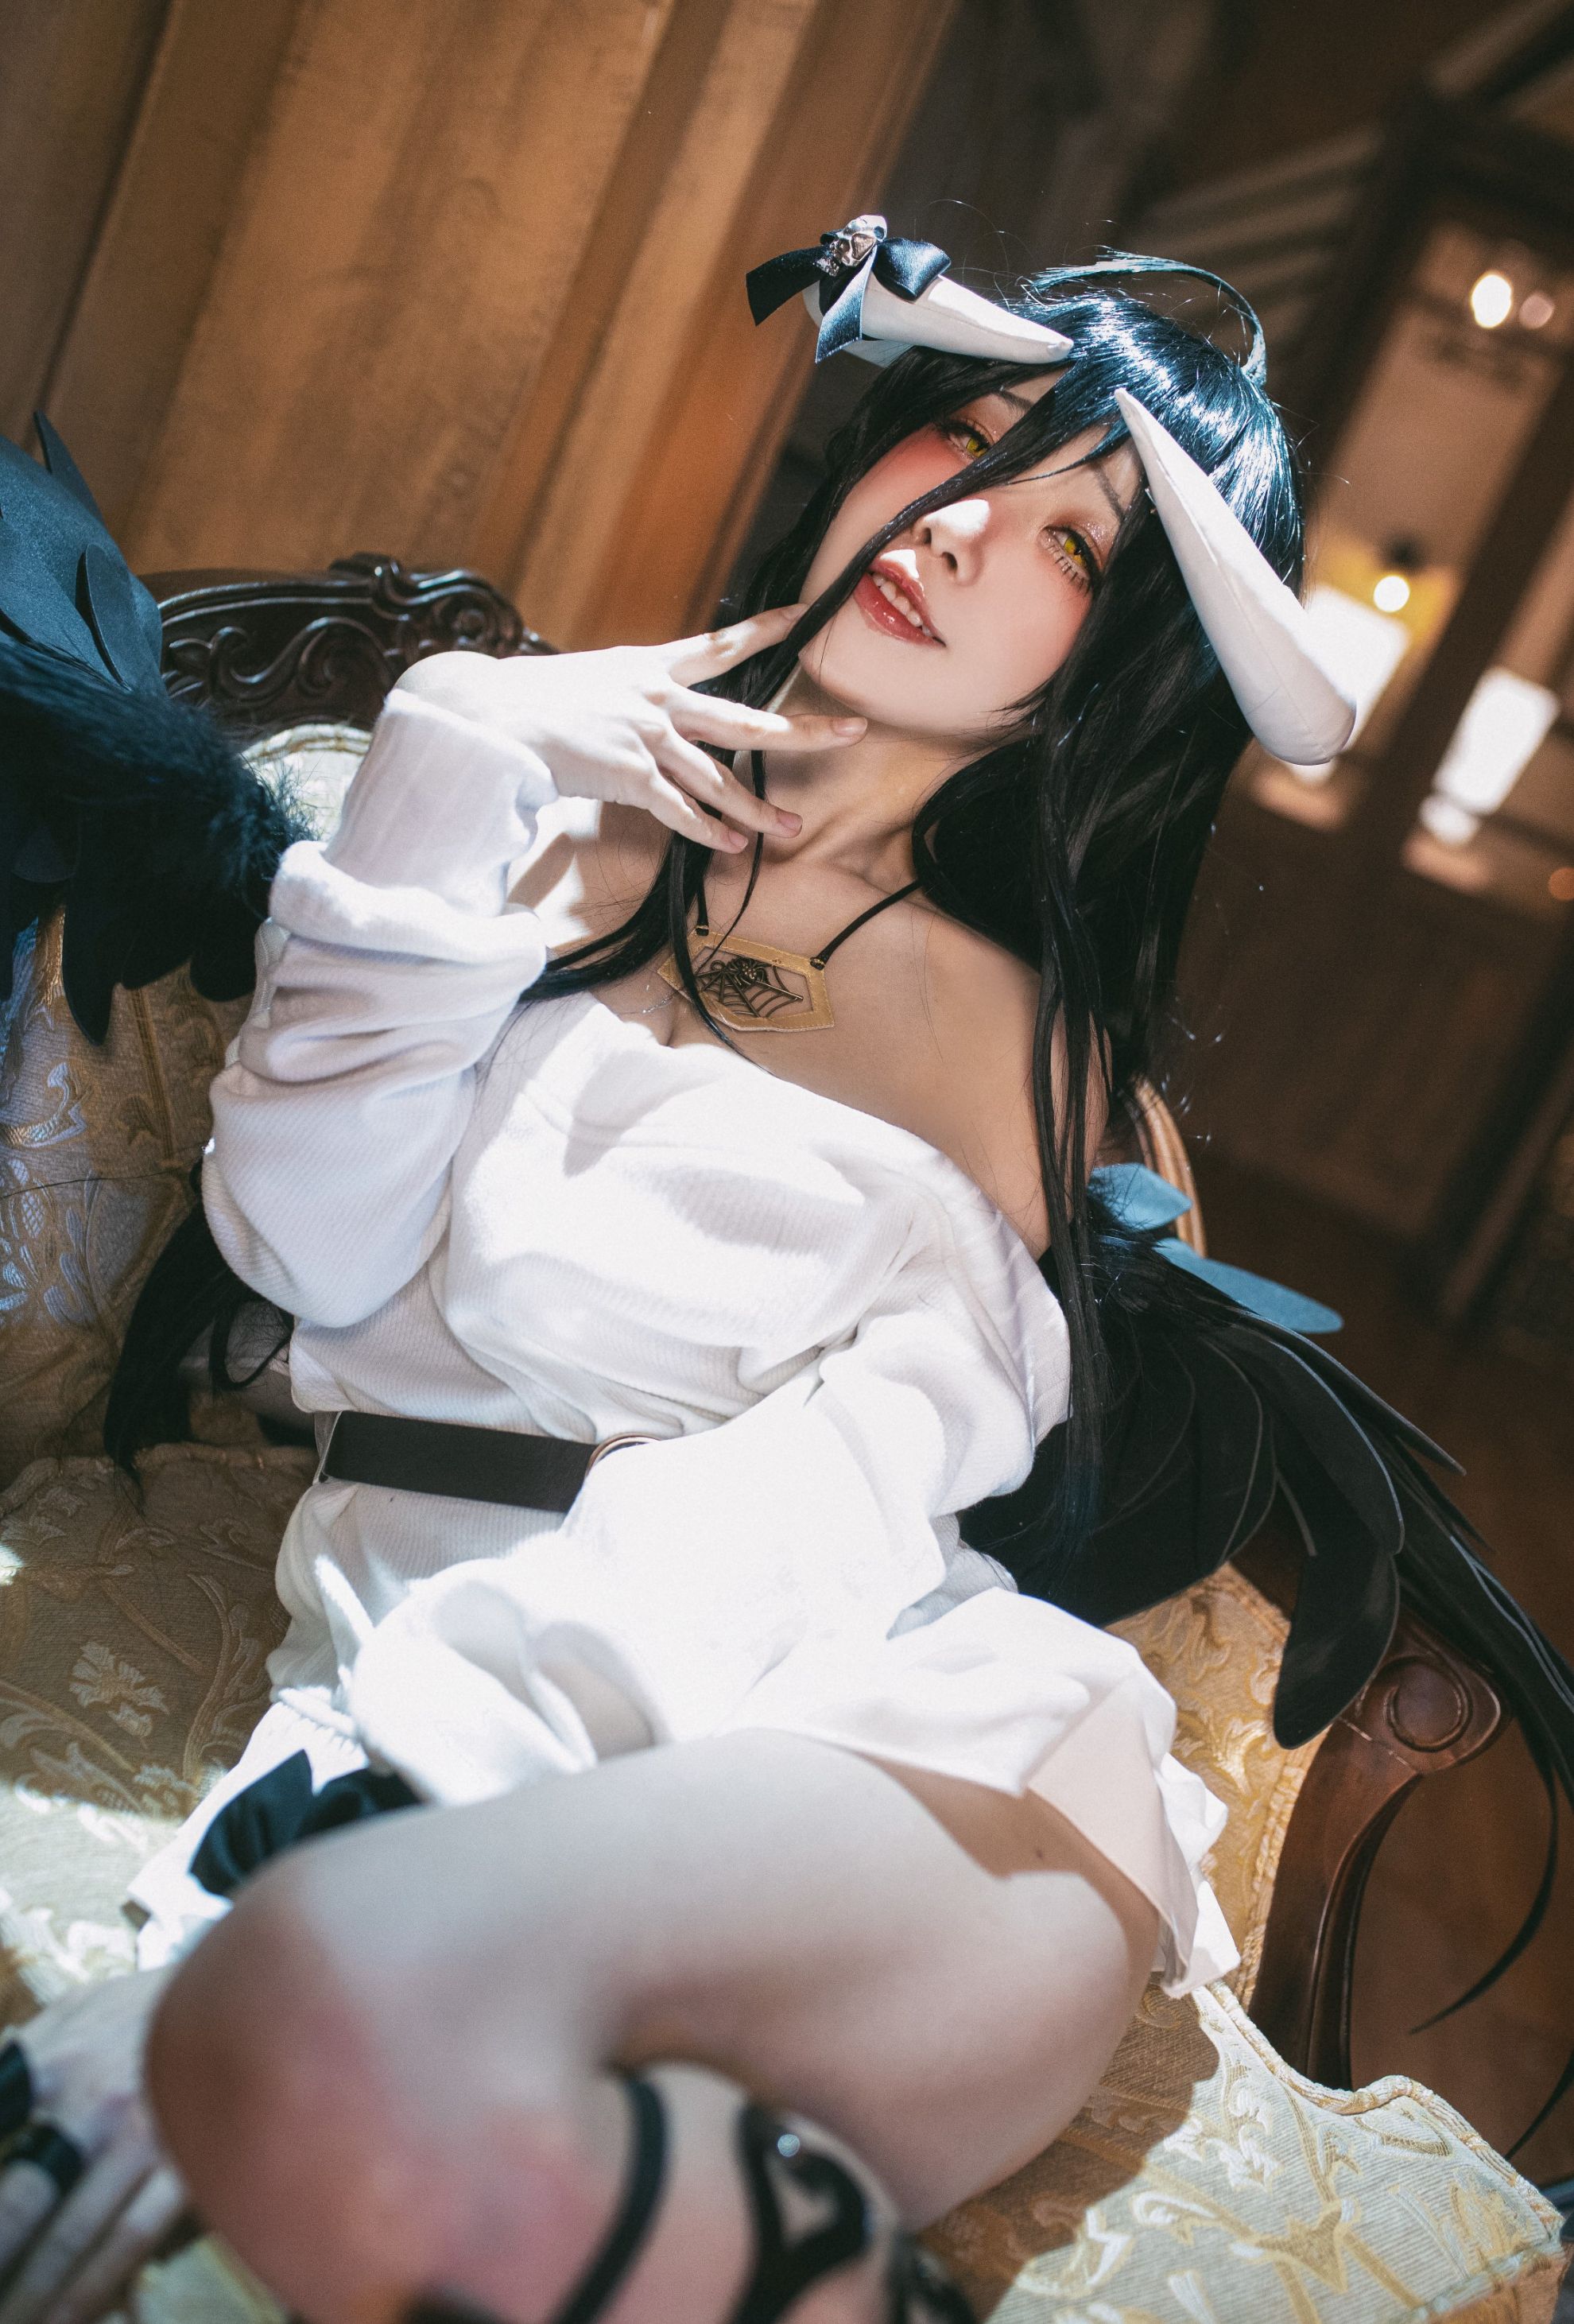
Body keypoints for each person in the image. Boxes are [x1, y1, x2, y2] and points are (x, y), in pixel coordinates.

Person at [0, 223, 1567, 2324]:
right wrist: (447, 749)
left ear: (1110, 665)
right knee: (351, 2093)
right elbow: (303, 1249)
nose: (961, 527)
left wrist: (353, 1838)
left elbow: (857, 1499)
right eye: (960, 436)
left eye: (1073, 544)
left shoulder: (1042, 1061)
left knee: (305, 2012)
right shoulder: (522, 808)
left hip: (936, 1766)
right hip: (468, 1662)